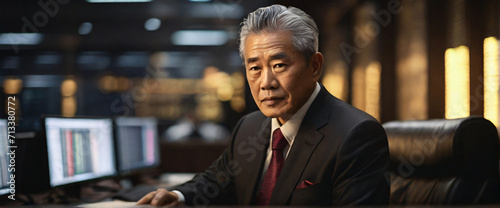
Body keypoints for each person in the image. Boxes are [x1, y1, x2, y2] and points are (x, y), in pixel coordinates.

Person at [137, 4, 390, 206]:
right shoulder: (249, 126)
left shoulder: (357, 135)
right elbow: (215, 182)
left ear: (314, 66)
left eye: (279, 65)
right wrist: (178, 197)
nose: (266, 82)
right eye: (255, 68)